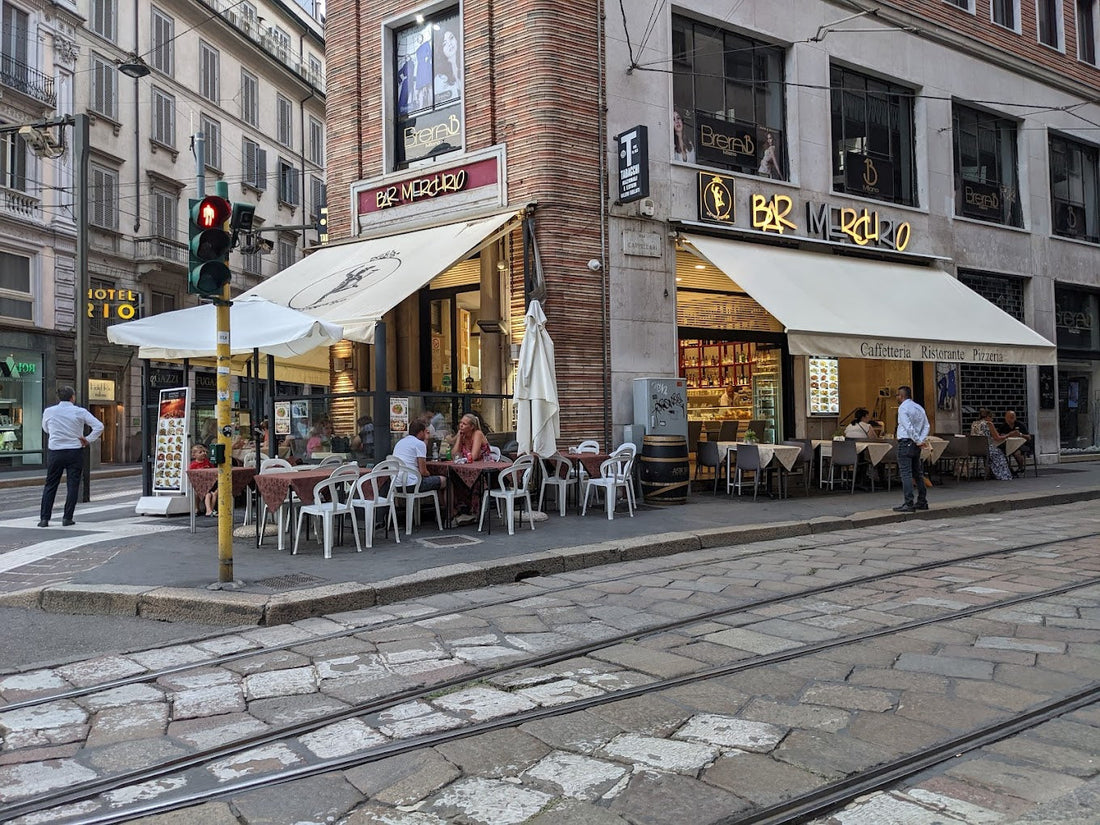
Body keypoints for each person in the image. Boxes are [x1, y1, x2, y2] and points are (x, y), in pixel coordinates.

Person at [38, 386, 104, 527]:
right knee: (73, 485)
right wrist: (88, 439)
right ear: (72, 397)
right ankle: (67, 518)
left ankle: (44, 519)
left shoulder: (49, 411)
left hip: (55, 451)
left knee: (50, 484)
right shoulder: (79, 411)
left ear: (58, 397)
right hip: (74, 451)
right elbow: (99, 426)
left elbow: (46, 429)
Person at [893, 386, 929, 513]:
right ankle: (922, 501)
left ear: (902, 396)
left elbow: (908, 426)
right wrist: (921, 440)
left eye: (897, 395)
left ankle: (909, 503)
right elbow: (926, 425)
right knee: (917, 473)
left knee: (906, 473)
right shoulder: (919, 407)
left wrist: (917, 439)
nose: (896, 397)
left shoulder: (903, 408)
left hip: (906, 441)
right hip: (915, 444)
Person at [392, 417, 448, 497]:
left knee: (435, 480)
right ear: (421, 432)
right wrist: (430, 474)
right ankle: (447, 509)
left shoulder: (400, 442)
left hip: (397, 485)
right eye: (425, 431)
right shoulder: (419, 444)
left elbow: (420, 450)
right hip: (412, 485)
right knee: (444, 480)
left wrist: (426, 439)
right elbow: (423, 472)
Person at [972, 408, 1015, 481]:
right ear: (988, 417)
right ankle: (1003, 475)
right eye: (992, 418)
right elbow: (997, 438)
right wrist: (1009, 434)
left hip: (975, 449)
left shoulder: (974, 423)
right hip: (987, 449)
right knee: (1000, 453)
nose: (992, 420)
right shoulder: (989, 424)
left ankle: (991, 472)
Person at [999, 409, 1032, 475]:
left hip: (1021, 444)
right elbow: (999, 436)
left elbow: (1029, 437)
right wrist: (1005, 435)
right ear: (1005, 418)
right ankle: (1009, 469)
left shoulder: (1020, 424)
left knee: (1017, 453)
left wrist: (1020, 434)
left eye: (1012, 417)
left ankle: (1021, 467)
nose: (1011, 419)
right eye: (1009, 417)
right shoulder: (1003, 426)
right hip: (1008, 445)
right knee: (1000, 452)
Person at [188, 445, 218, 517]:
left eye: (205, 452)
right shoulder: (193, 465)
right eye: (200, 452)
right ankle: (200, 509)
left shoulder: (208, 462)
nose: (203, 453)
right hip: (199, 484)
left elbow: (213, 471)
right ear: (194, 455)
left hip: (209, 484)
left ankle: (210, 509)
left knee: (211, 494)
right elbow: (191, 474)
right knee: (203, 494)